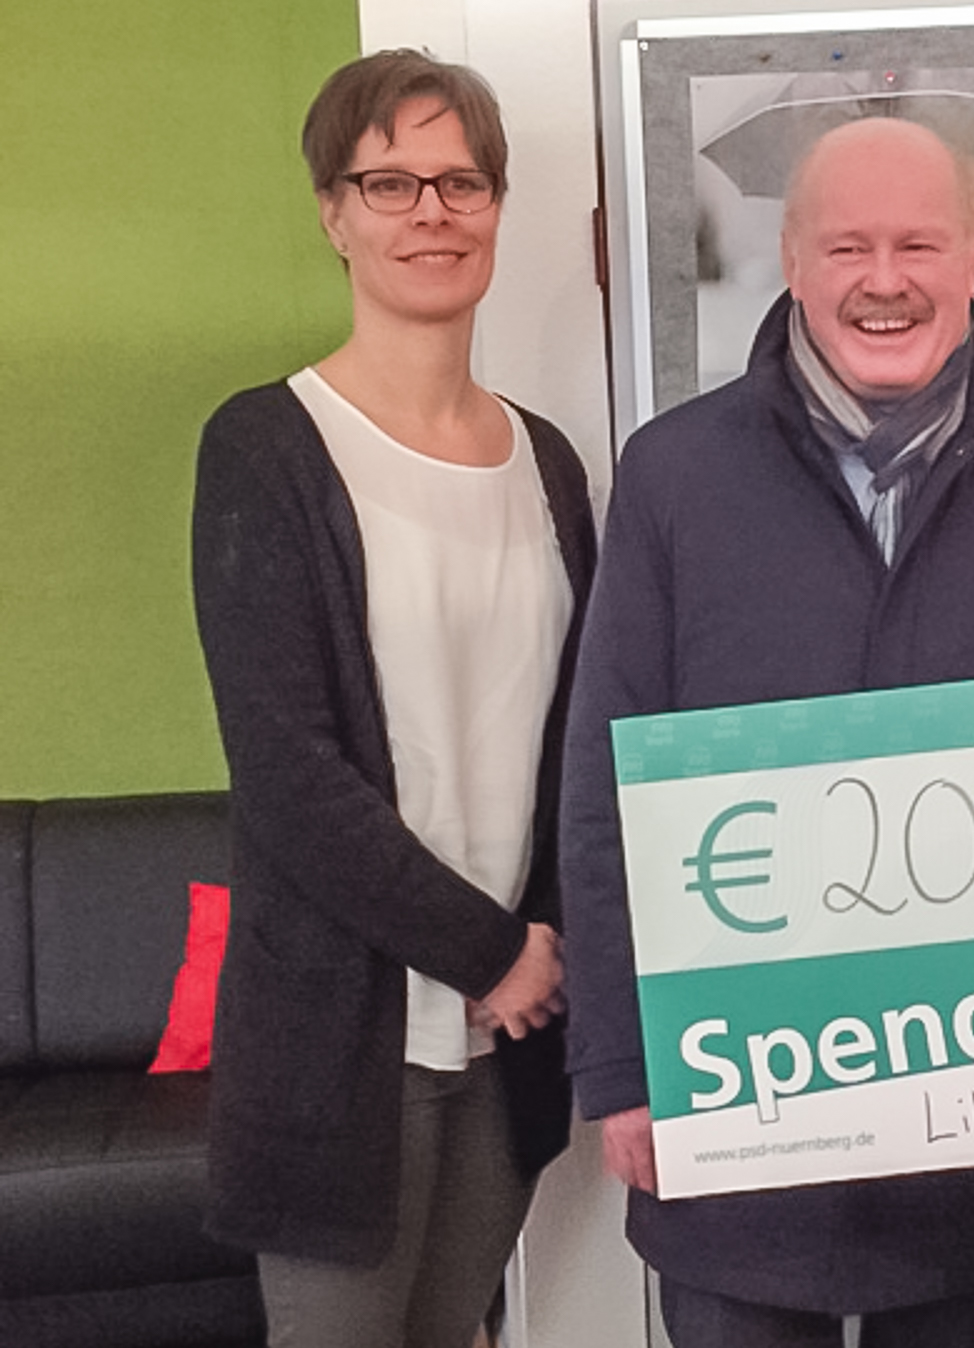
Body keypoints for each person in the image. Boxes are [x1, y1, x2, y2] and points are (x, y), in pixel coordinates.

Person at [560, 116, 974, 1348]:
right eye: (847, 247)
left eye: (919, 244)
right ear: (792, 260)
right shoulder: (671, 474)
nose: (885, 280)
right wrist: (622, 1069)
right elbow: (605, 782)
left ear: (973, 259)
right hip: (734, 1117)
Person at [190, 50, 594, 1348]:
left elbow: (575, 740)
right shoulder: (267, 447)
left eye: (461, 182)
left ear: (497, 206)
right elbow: (288, 773)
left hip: (510, 1034)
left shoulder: (548, 462)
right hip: (343, 1042)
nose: (432, 212)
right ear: (334, 212)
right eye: (391, 182)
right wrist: (493, 951)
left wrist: (541, 948)